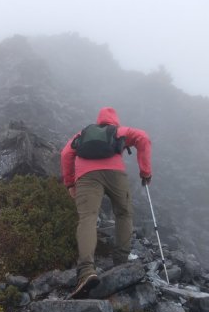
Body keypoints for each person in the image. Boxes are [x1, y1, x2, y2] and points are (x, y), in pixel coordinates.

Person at [61, 106, 152, 298]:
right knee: (123, 213)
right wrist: (145, 172)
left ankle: (86, 270)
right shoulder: (119, 131)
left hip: (86, 176)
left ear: (99, 121)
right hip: (115, 174)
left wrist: (70, 183)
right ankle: (121, 262)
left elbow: (65, 154)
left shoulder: (83, 133)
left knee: (87, 218)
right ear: (114, 120)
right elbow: (143, 137)